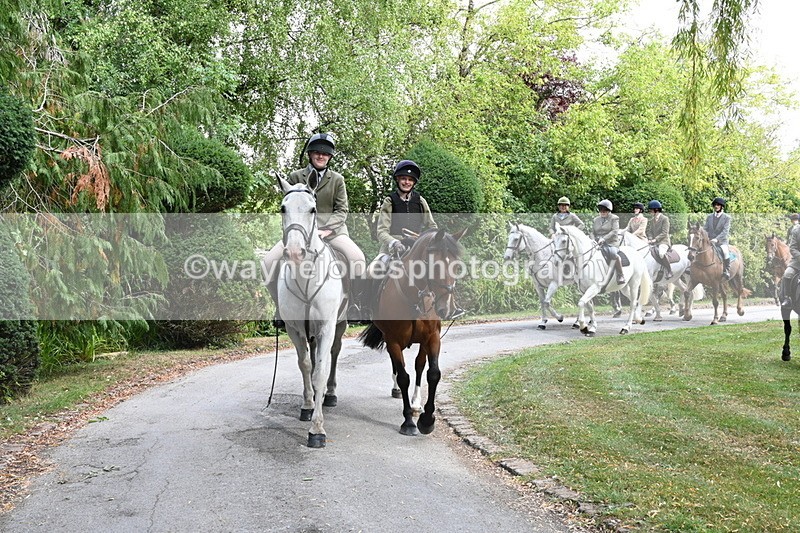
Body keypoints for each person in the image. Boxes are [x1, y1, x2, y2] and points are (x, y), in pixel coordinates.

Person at [262, 132, 366, 328]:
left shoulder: (337, 180)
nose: (321, 156)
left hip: (332, 233)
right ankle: (280, 307)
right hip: (300, 234)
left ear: (330, 157)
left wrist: (326, 230)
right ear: (310, 154)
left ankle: (354, 304)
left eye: (325, 154)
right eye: (317, 152)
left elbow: (342, 210)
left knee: (357, 259)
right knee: (268, 262)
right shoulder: (295, 177)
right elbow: (289, 207)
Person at [368, 160, 437, 274]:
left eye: (410, 180)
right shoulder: (389, 201)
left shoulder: (420, 201)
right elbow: (381, 232)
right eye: (404, 178)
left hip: (416, 248)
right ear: (397, 179)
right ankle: (367, 292)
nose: (407, 182)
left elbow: (432, 226)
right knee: (371, 271)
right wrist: (394, 242)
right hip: (392, 249)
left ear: (414, 183)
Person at [592, 199, 625, 284]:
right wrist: (592, 239)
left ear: (609, 210)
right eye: (601, 210)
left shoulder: (614, 218)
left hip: (611, 242)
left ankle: (620, 274)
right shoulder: (596, 219)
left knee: (613, 254)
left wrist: (604, 238)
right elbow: (592, 232)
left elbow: (614, 231)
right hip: (597, 242)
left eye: (605, 210)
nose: (602, 212)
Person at [704, 197, 732, 279]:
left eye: (718, 205)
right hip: (709, 240)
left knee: (725, 252)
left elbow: (725, 231)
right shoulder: (709, 217)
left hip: (721, 241)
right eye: (715, 205)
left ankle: (726, 270)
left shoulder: (727, 218)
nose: (716, 206)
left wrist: (716, 239)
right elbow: (705, 228)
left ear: (722, 207)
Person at [646, 199, 672, 278]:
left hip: (664, 241)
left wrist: (655, 239)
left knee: (661, 253)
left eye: (651, 210)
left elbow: (665, 232)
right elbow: (650, 231)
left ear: (656, 210)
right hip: (654, 242)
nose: (650, 212)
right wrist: (650, 238)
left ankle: (669, 270)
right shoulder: (652, 220)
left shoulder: (665, 219)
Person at [781, 214, 800, 307]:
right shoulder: (796, 231)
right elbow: (792, 248)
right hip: (797, 261)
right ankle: (787, 298)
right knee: (787, 274)